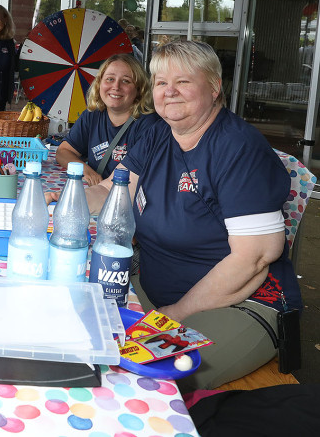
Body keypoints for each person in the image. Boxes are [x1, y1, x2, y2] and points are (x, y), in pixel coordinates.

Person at [85, 41, 302, 391]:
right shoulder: (157, 133)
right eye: (159, 82)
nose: (169, 92)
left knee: (142, 382)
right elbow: (112, 191)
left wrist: (174, 315)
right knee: (82, 330)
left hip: (238, 304)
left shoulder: (238, 149)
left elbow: (255, 258)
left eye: (183, 81)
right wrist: (58, 199)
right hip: (154, 287)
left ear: (214, 87)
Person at [56, 53, 157, 185]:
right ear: (99, 84)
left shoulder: (150, 125)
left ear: (139, 89)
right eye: (110, 79)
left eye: (126, 81)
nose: (116, 87)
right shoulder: (93, 115)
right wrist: (86, 170)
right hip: (97, 196)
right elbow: (63, 151)